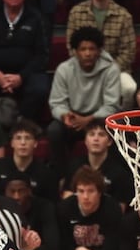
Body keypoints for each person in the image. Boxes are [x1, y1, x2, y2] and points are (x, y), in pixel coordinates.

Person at [47, 26, 123, 171]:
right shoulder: (64, 69)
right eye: (83, 49)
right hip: (73, 118)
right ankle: (61, 174)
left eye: (92, 49)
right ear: (75, 52)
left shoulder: (111, 69)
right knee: (54, 131)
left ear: (99, 51)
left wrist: (89, 119)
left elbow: (112, 105)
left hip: (100, 119)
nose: (87, 53)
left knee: (116, 129)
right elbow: (56, 103)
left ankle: (113, 174)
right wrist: (64, 115)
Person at [0, 0, 51, 122]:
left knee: (40, 88)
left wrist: (21, 76)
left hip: (26, 73)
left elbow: (42, 55)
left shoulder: (36, 17)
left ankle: (23, 124)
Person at [65, 0, 136, 109]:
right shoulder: (76, 12)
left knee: (129, 88)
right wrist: (87, 67)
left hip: (115, 68)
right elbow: (71, 46)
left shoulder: (123, 15)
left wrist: (109, 70)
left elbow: (129, 51)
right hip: (83, 67)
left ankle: (122, 119)